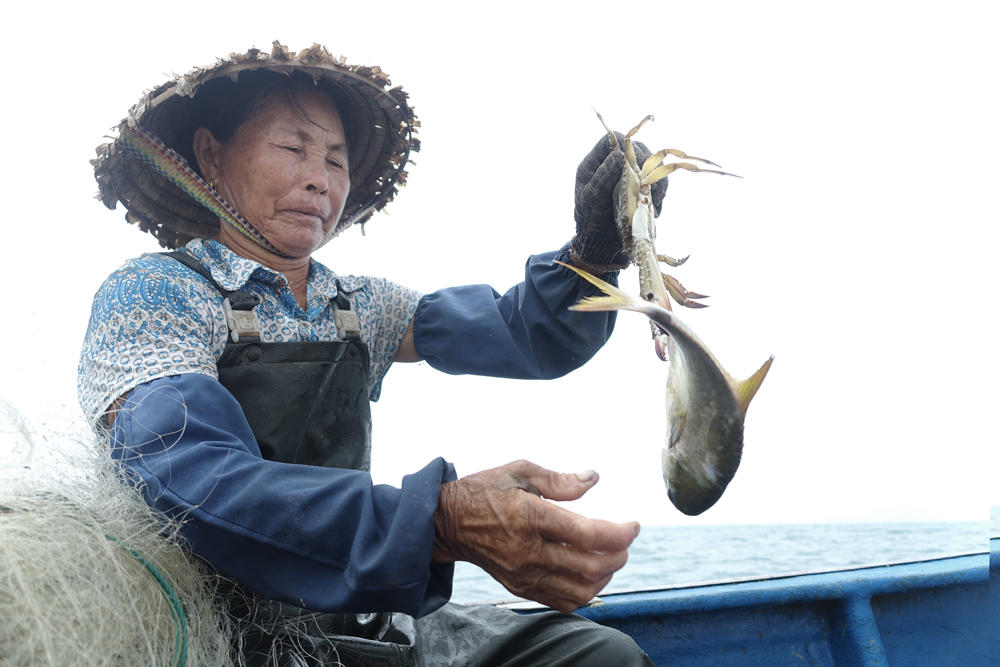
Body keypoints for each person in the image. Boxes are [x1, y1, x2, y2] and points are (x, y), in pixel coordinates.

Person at [80, 42, 665, 666]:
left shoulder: (361, 306)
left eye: (335, 160)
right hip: (215, 637)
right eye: (293, 148)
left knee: (601, 656)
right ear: (210, 155)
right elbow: (187, 476)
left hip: (358, 617)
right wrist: (437, 521)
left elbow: (521, 333)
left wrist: (593, 255)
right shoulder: (154, 293)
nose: (319, 178)